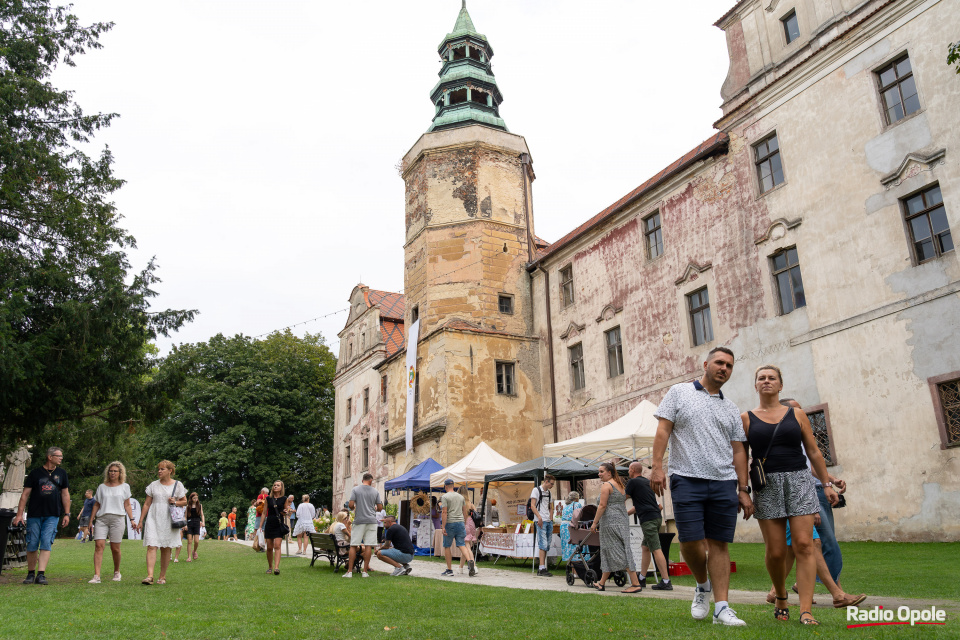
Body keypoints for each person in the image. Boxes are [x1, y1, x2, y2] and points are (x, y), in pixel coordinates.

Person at [651, 346, 753, 626]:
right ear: (706, 364)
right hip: (686, 477)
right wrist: (657, 467)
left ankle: (722, 607)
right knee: (689, 542)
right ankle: (702, 585)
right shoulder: (679, 393)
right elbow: (663, 430)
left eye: (729, 366)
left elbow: (739, 451)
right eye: (720, 363)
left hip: (723, 482)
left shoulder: (731, 408)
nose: (724, 368)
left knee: (719, 544)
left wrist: (743, 489)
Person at [741, 366, 839, 626]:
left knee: (805, 545)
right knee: (775, 552)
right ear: (756, 386)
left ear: (780, 385)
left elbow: (814, 452)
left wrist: (826, 483)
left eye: (771, 378)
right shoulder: (747, 418)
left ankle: (806, 610)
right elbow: (740, 457)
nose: (766, 381)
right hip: (767, 485)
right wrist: (743, 491)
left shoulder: (797, 414)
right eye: (761, 378)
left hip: (799, 480)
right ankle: (781, 595)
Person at [12, 447, 71, 585]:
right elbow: (25, 494)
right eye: (58, 456)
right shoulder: (35, 473)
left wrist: (67, 513)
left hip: (52, 514)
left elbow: (65, 494)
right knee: (32, 543)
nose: (61, 458)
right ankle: (30, 574)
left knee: (46, 542)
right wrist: (19, 515)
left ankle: (41, 574)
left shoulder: (62, 473)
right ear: (50, 457)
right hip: (34, 514)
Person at [588, 462, 644, 593]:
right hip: (621, 521)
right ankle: (601, 583)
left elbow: (602, 505)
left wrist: (594, 522)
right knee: (609, 551)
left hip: (610, 523)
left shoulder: (606, 485)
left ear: (609, 472)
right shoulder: (620, 485)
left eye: (601, 471)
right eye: (599, 471)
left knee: (619, 552)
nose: (599, 474)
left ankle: (635, 583)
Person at [137, 460, 187, 585]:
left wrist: (174, 502)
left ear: (170, 471)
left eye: (162, 469)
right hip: (153, 518)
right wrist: (140, 520)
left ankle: (162, 577)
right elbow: (147, 503)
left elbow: (185, 501)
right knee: (151, 545)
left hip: (169, 519)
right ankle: (149, 576)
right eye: (158, 469)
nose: (159, 471)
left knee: (166, 548)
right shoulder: (153, 485)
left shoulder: (178, 485)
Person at [625, 461, 671, 590]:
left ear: (633, 470)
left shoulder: (632, 482)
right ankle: (642, 578)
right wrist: (627, 513)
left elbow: (623, 497)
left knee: (656, 549)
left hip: (648, 520)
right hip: (656, 517)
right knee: (645, 548)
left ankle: (666, 581)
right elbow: (656, 505)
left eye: (629, 469)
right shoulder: (646, 482)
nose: (628, 472)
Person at [88, 461, 136, 583]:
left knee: (115, 548)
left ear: (120, 473)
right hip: (102, 518)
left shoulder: (125, 487)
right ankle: (97, 576)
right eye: (110, 471)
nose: (112, 473)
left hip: (118, 518)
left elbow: (127, 505)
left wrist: (132, 519)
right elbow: (96, 504)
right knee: (99, 545)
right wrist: (91, 520)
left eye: (115, 471)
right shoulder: (101, 487)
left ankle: (117, 572)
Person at [343, 472, 383, 578]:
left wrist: (353, 508)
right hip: (371, 521)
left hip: (359, 520)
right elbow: (380, 508)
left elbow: (350, 505)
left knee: (354, 545)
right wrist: (374, 508)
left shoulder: (356, 489)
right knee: (369, 545)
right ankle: (365, 571)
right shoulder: (375, 491)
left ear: (362, 480)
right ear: (371, 481)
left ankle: (350, 572)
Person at [440, 478, 476, 577]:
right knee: (461, 544)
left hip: (450, 523)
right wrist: (463, 523)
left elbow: (444, 512)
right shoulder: (461, 497)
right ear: (453, 486)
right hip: (460, 522)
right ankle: (470, 562)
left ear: (446, 486)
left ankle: (449, 570)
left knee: (447, 546)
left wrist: (443, 526)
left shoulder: (445, 497)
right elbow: (465, 511)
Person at [259, 480, 290, 575]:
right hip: (270, 523)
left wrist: (286, 512)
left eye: (278, 485)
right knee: (269, 547)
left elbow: (286, 511)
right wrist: (260, 526)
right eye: (274, 485)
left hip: (278, 524)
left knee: (277, 545)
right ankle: (270, 566)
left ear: (281, 488)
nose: (275, 486)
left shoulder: (284, 498)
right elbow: (264, 513)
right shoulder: (268, 499)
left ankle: (276, 567)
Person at [528, 474, 556, 577]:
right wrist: (539, 517)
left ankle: (543, 567)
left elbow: (551, 507)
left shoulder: (549, 493)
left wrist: (551, 519)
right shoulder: (536, 490)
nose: (552, 486)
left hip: (548, 520)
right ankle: (541, 568)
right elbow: (532, 505)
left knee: (547, 544)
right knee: (543, 543)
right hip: (540, 520)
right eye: (551, 484)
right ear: (546, 481)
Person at [459, 488, 478, 574]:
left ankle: (473, 565)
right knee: (466, 546)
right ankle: (460, 568)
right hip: (471, 524)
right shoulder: (470, 504)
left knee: (466, 546)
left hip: (464, 523)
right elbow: (476, 513)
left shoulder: (460, 503)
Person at [559, 491, 581, 561]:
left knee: (567, 546)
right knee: (574, 546)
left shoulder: (566, 506)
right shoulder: (577, 504)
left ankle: (570, 564)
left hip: (563, 527)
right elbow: (579, 516)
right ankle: (575, 566)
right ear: (577, 498)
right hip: (571, 527)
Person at [185, 493, 204, 561]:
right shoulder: (188, 506)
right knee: (189, 541)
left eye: (197, 498)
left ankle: (194, 551)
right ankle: (189, 557)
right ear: (191, 499)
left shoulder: (199, 505)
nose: (196, 499)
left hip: (197, 524)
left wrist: (203, 522)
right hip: (189, 524)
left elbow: (202, 515)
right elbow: (185, 517)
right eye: (194, 498)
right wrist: (185, 524)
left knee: (196, 541)